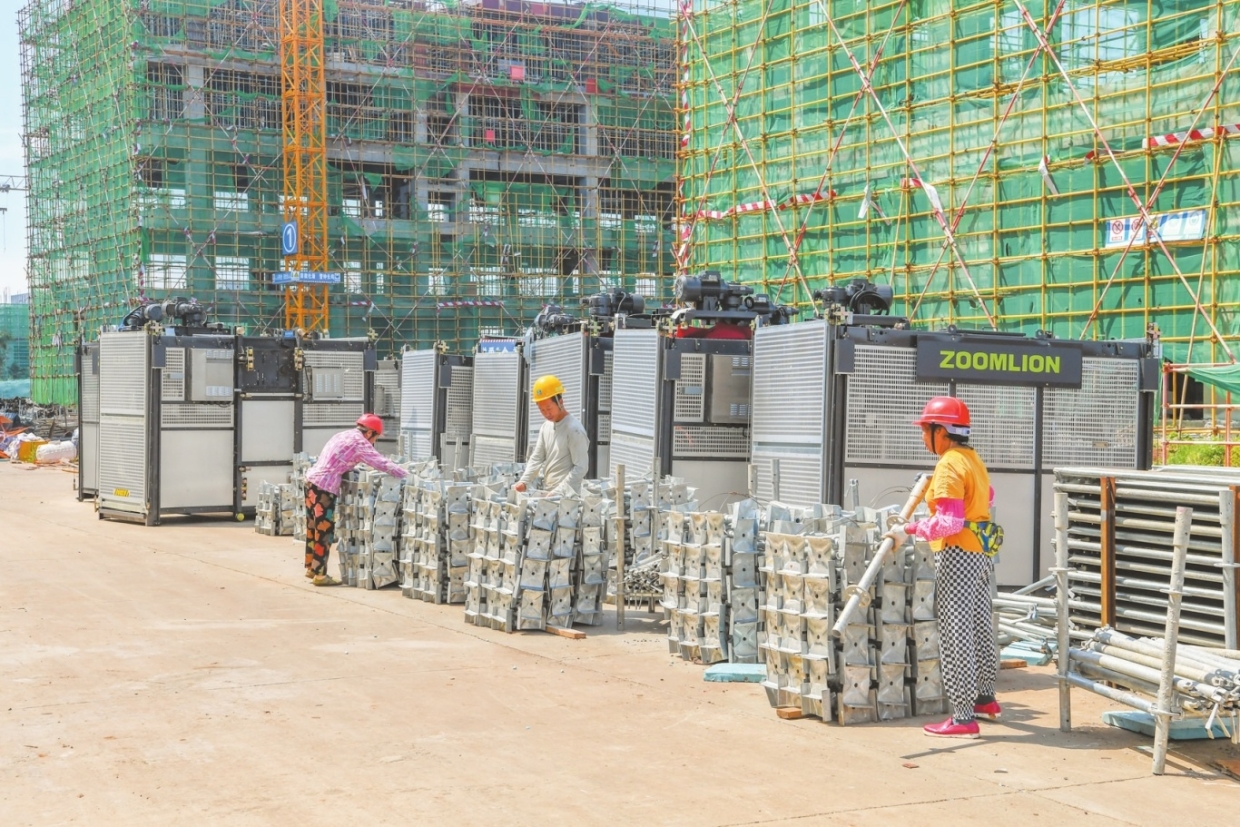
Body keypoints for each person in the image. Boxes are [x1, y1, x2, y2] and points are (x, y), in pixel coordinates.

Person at [884, 396, 1000, 739]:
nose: (922, 437)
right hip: (980, 552)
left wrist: (908, 530)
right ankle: (985, 698)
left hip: (958, 553)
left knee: (955, 632)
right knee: (980, 624)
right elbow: (988, 496)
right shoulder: (971, 458)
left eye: (925, 430)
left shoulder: (949, 465)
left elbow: (948, 523)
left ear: (942, 431)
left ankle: (963, 716)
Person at [303, 413, 408, 586]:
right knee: (324, 531)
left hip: (311, 481)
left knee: (313, 526)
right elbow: (381, 463)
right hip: (324, 486)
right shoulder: (360, 443)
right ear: (369, 433)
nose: (373, 442)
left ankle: (312, 568)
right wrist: (408, 476)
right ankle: (320, 576)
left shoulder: (344, 435)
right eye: (375, 438)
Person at [513, 374, 589, 497]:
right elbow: (537, 458)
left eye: (549, 408)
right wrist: (524, 481)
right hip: (550, 492)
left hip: (568, 498)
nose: (546, 414)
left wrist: (559, 491)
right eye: (542, 410)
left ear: (560, 402)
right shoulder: (546, 427)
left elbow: (581, 467)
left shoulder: (574, 430)